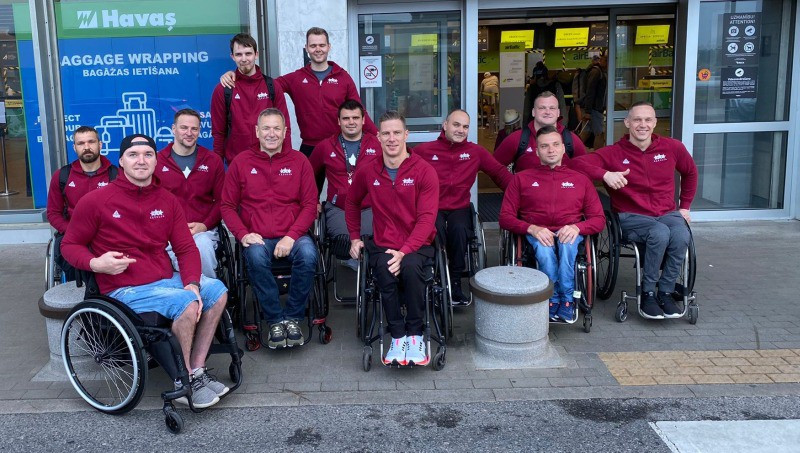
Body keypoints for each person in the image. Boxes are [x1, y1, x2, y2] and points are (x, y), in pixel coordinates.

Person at [61, 134, 229, 409]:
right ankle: (182, 380)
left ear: (156, 160)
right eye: (133, 155)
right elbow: (70, 245)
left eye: (148, 154)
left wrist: (192, 284)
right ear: (122, 161)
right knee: (185, 304)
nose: (141, 160)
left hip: (163, 279)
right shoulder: (96, 201)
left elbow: (186, 249)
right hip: (123, 288)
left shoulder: (167, 200)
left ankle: (196, 371)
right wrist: (96, 263)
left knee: (217, 290)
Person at [570, 102, 698, 319]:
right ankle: (648, 293)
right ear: (627, 122)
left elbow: (691, 173)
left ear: (655, 122)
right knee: (659, 233)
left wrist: (684, 206)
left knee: (681, 233)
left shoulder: (672, 147)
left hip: (667, 213)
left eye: (648, 120)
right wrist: (605, 175)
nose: (643, 125)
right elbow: (574, 165)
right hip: (631, 216)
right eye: (637, 120)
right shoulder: (613, 153)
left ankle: (665, 291)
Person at [346, 111, 438, 366]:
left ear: (406, 135)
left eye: (397, 133)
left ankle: (416, 334)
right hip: (384, 243)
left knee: (410, 269)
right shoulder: (369, 171)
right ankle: (397, 337)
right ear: (378, 137)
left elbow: (426, 219)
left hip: (418, 245)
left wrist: (405, 250)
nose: (391, 138)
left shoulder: (424, 171)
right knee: (385, 273)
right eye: (386, 133)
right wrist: (354, 237)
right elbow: (351, 201)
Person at [221, 108, 318, 349]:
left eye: (277, 128)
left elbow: (309, 206)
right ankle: (275, 320)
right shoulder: (241, 162)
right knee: (254, 257)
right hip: (258, 236)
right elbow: (227, 206)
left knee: (308, 255)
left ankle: (293, 317)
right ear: (257, 131)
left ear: (286, 132)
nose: (271, 133)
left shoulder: (299, 161)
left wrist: (291, 237)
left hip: (293, 235)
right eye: (266, 128)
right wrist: (243, 234)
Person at [499, 126, 605, 321]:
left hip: (570, 231)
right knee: (545, 250)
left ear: (563, 149)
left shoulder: (581, 180)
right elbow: (505, 217)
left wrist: (577, 228)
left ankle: (567, 299)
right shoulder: (521, 179)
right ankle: (552, 297)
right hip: (537, 231)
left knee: (566, 247)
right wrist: (532, 228)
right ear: (537, 151)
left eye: (556, 145)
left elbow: (599, 219)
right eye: (545, 146)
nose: (551, 150)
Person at [220, 27, 376, 158]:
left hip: (339, 144)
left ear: (329, 46)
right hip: (309, 146)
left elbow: (359, 110)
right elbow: (262, 84)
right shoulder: (296, 78)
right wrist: (234, 75)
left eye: (322, 45)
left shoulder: (343, 78)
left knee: (345, 189)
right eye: (313, 45)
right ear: (307, 48)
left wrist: (376, 135)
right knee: (307, 192)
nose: (318, 49)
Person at [414, 109, 512, 305]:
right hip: (433, 207)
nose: (460, 130)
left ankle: (456, 282)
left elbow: (500, 174)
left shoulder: (476, 152)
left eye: (465, 126)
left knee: (459, 231)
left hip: (459, 206)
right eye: (456, 125)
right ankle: (437, 277)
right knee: (436, 229)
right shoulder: (424, 151)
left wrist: (525, 193)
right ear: (445, 125)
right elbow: (403, 168)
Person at [308, 99, 381, 269]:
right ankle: (355, 262)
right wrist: (314, 200)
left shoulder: (377, 145)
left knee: (377, 237)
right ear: (339, 121)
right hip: (339, 208)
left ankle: (369, 270)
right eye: (346, 118)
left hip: (371, 207)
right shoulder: (325, 147)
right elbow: (308, 175)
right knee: (342, 240)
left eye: (355, 118)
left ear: (363, 120)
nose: (351, 122)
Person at [157, 109, 225, 278]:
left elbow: (222, 201)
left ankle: (211, 297)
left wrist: (205, 225)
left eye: (194, 129)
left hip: (203, 231)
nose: (189, 133)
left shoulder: (212, 160)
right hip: (167, 234)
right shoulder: (157, 161)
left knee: (202, 247)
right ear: (173, 129)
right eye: (184, 128)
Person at [46, 126, 117, 281]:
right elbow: (53, 213)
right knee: (67, 253)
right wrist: (71, 230)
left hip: (109, 234)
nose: (86, 147)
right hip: (73, 233)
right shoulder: (62, 176)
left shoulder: (116, 175)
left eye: (91, 141)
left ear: (100, 144)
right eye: (81, 143)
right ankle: (77, 292)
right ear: (74, 147)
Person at [210, 33, 291, 165]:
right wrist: (217, 167)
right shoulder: (223, 89)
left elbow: (285, 126)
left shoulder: (272, 86)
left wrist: (286, 159)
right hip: (237, 163)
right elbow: (218, 133)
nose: (244, 59)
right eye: (238, 54)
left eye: (248, 53)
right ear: (232, 57)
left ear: (256, 54)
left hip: (270, 161)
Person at [493, 91, 587, 172]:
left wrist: (575, 189)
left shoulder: (571, 140)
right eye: (542, 108)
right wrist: (513, 186)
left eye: (552, 108)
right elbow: (494, 167)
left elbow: (587, 169)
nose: (547, 112)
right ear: (533, 112)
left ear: (558, 112)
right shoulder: (517, 139)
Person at [522, 62, 567, 127]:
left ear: (535, 76)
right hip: (553, 123)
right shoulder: (555, 86)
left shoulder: (532, 88)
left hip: (535, 124)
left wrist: (525, 126)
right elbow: (562, 106)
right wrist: (563, 125)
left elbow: (526, 111)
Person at [579, 53, 608, 150]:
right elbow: (590, 92)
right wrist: (588, 111)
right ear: (602, 60)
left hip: (593, 108)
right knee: (599, 133)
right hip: (595, 109)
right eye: (606, 60)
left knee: (586, 131)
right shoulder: (597, 72)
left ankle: (572, 152)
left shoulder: (599, 72)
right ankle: (598, 157)